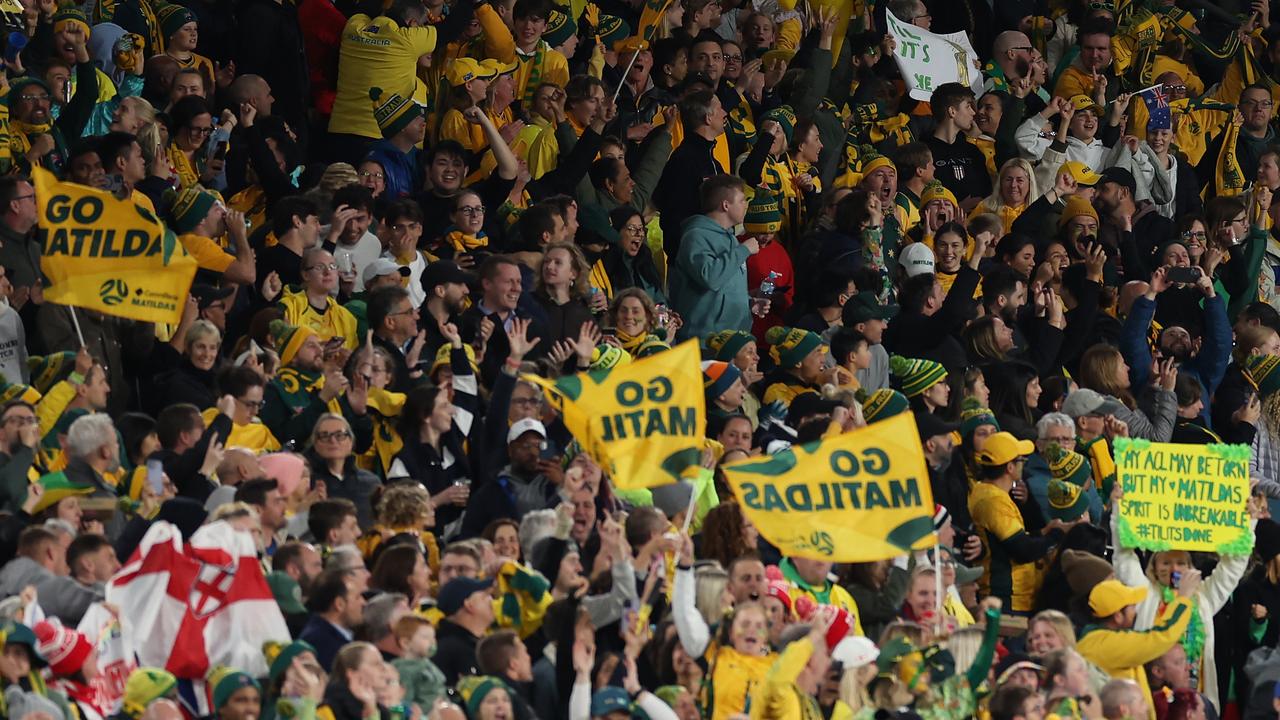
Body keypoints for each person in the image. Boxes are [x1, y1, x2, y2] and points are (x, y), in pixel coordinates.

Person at [669, 174, 757, 342]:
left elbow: (726, 286)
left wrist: (749, 303)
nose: (746, 205)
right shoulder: (695, 236)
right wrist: (743, 250)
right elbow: (710, 278)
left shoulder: (730, 238)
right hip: (705, 342)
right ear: (725, 205)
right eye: (742, 200)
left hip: (732, 340)